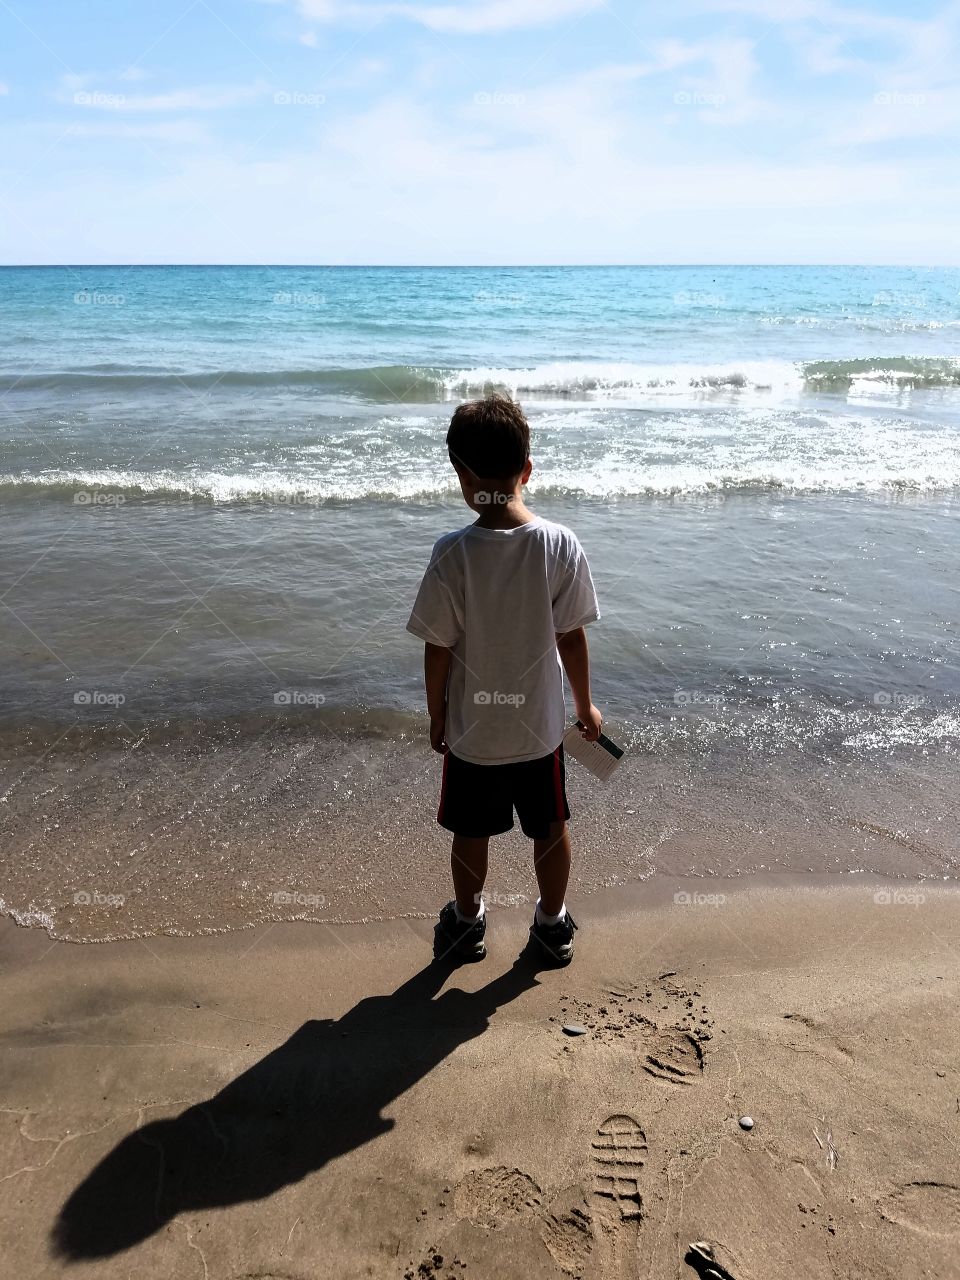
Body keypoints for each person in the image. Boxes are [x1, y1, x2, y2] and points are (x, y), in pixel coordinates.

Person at [406, 394, 602, 966]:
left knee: (470, 833)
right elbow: (572, 635)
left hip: (475, 735)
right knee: (551, 827)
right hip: (539, 733)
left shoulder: (453, 554)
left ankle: (467, 925)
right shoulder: (559, 544)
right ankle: (551, 924)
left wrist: (438, 714)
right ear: (528, 469)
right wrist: (585, 707)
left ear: (461, 477)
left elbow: (438, 648)